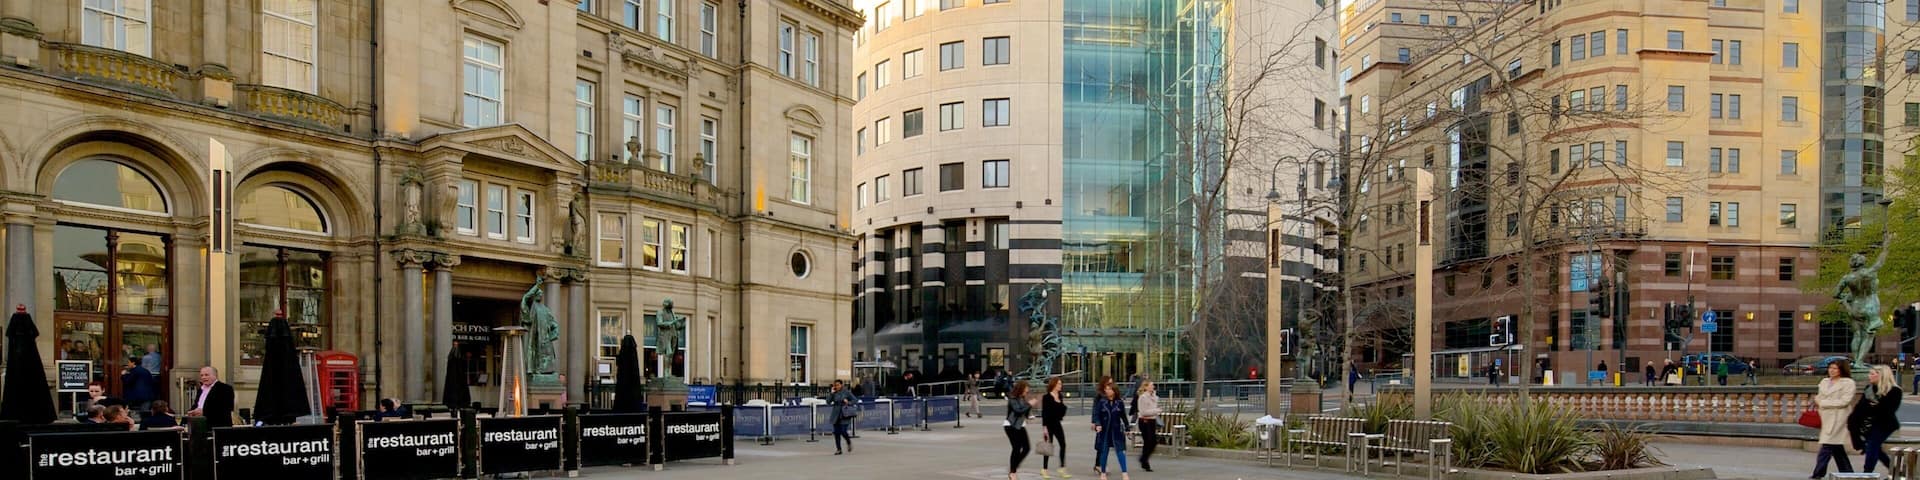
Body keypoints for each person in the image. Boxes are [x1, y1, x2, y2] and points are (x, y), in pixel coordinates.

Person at [1811, 359, 1858, 478]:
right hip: (1826, 416)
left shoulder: (1848, 382)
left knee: (1827, 445)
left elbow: (1845, 401)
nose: (1831, 371)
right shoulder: (1824, 381)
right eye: (1830, 368)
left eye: (1835, 368)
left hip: (1839, 417)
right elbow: (1819, 397)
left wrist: (1823, 403)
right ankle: (1847, 472)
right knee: (1836, 447)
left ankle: (1817, 474)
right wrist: (1819, 401)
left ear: (1841, 370)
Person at [1854, 364, 1904, 473]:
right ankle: (1896, 472)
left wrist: (1872, 407)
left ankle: (1867, 473)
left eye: (1872, 374)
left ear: (1881, 375)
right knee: (1877, 450)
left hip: (1885, 424)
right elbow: (1861, 407)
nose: (1869, 376)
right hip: (1868, 424)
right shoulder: (1869, 389)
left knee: (1872, 445)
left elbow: (1887, 410)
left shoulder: (1895, 391)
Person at [1090, 377, 1130, 480]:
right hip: (1104, 430)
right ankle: (1102, 472)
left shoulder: (1119, 402)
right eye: (1106, 388)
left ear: (1114, 390)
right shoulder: (1102, 401)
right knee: (1104, 451)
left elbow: (1123, 416)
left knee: (1120, 451)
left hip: (1116, 430)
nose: (1106, 390)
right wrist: (1097, 423)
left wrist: (1127, 428)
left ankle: (1124, 473)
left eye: (1109, 388)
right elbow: (1097, 413)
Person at [1004, 380, 1038, 480]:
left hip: (1020, 425)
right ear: (1021, 389)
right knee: (1016, 448)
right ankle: (1013, 472)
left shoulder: (1022, 398)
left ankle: (1013, 467)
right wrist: (1029, 404)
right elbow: (1018, 411)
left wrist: (1030, 416)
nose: (1026, 393)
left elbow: (1024, 412)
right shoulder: (1012, 398)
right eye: (1025, 390)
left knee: (1027, 448)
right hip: (1010, 425)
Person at [1039, 378, 1070, 479]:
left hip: (1057, 424)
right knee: (1048, 447)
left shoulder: (1060, 396)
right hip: (1048, 425)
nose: (1061, 385)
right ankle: (1044, 469)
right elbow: (1044, 414)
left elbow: (1060, 412)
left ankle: (1062, 468)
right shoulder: (1046, 397)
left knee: (1063, 444)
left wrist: (1063, 407)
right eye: (1059, 384)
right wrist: (1044, 428)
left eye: (1061, 383)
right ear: (1054, 385)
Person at [1136, 379, 1163, 472]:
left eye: (1153, 385)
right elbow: (1143, 412)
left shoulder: (1155, 397)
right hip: (1144, 421)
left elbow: (1153, 407)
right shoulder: (1142, 397)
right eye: (1151, 385)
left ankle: (1144, 459)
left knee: (1152, 442)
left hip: (1152, 421)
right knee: (1149, 440)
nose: (1153, 387)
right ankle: (1144, 460)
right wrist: (1156, 411)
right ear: (1146, 387)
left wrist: (1154, 399)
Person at [827, 379, 857, 455]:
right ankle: (839, 449)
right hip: (836, 414)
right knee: (836, 432)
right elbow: (828, 402)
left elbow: (855, 400)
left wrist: (848, 402)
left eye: (838, 385)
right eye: (835, 385)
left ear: (841, 385)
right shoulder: (834, 393)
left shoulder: (846, 392)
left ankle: (848, 442)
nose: (836, 386)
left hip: (844, 414)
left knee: (843, 431)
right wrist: (831, 393)